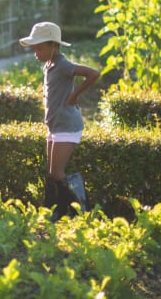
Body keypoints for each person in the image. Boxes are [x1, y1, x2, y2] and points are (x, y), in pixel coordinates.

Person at [19, 21, 100, 221]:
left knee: (57, 172)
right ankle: (52, 208)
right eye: (34, 48)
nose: (35, 52)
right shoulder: (49, 65)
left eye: (39, 48)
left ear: (53, 46)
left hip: (67, 125)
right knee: (51, 172)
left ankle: (77, 210)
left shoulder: (63, 64)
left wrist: (74, 95)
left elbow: (93, 74)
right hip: (55, 125)